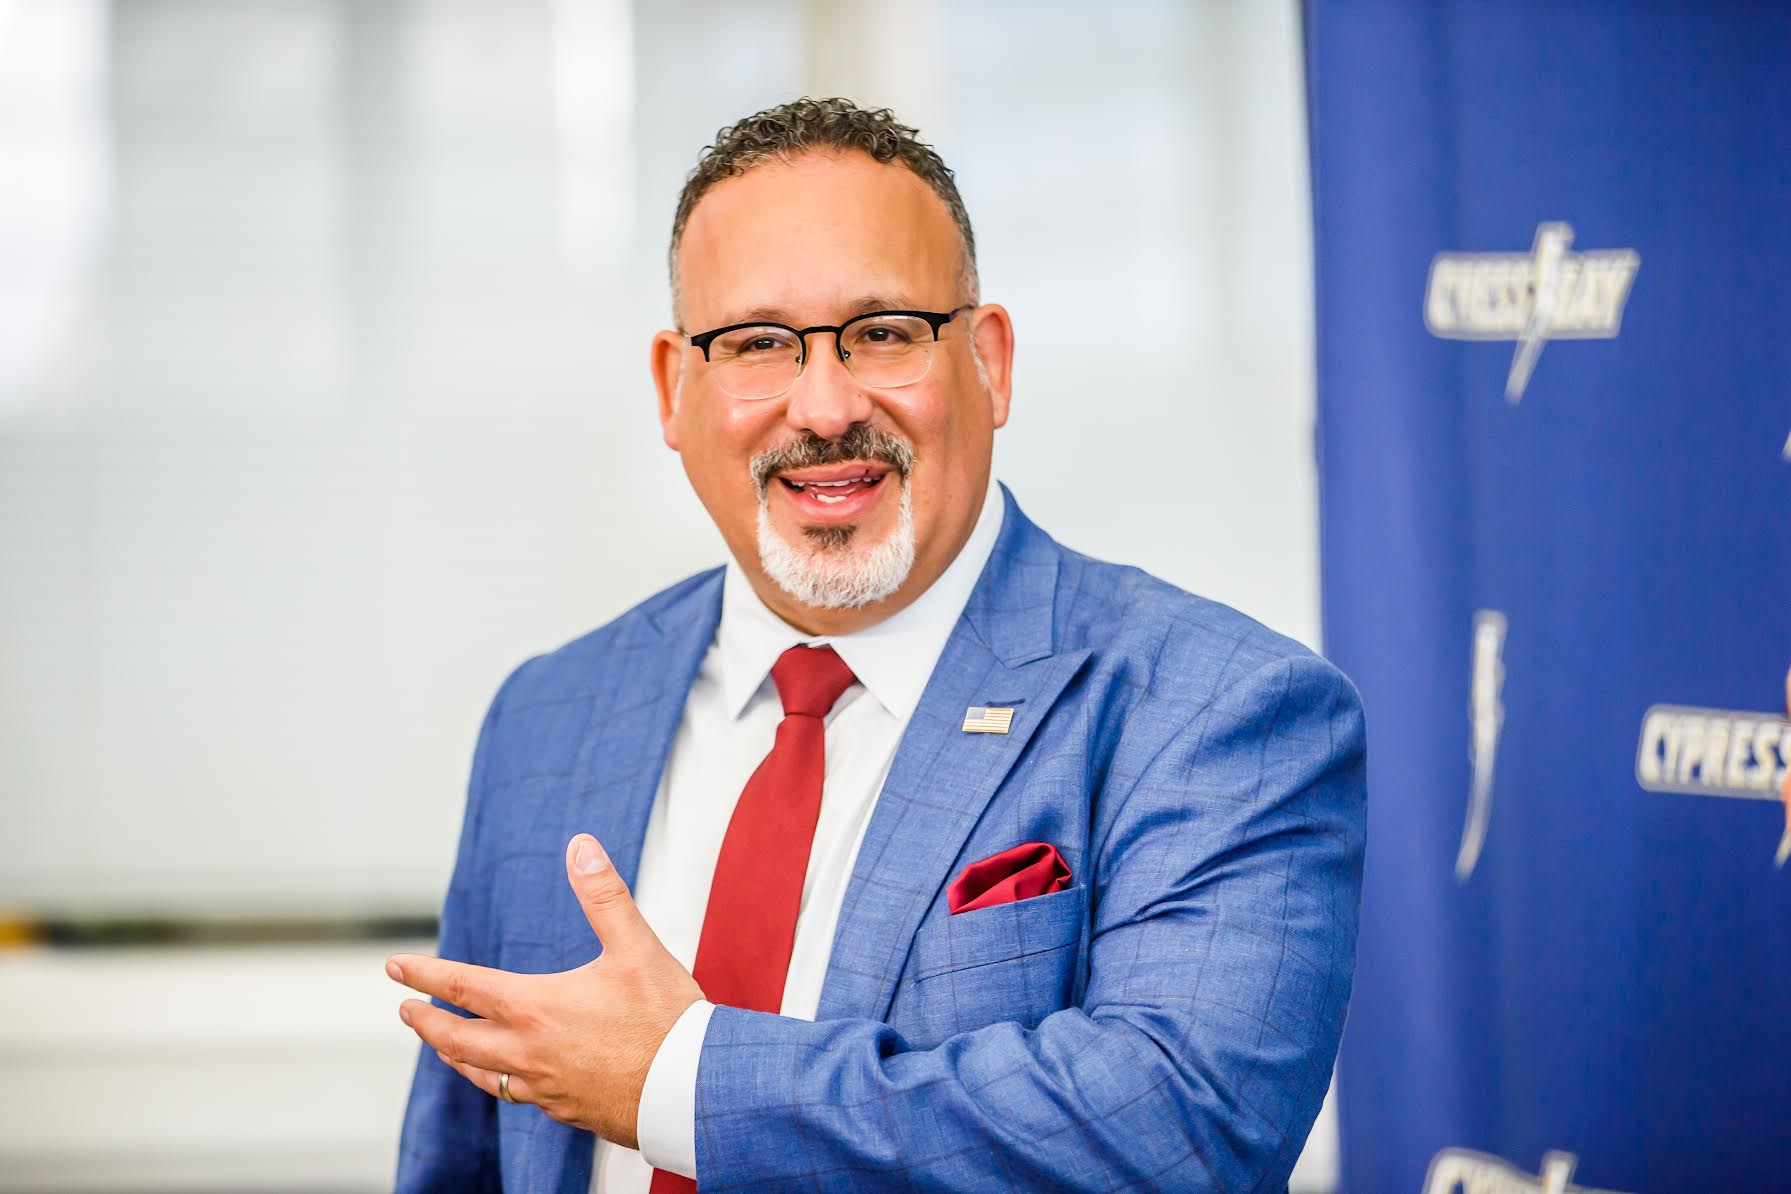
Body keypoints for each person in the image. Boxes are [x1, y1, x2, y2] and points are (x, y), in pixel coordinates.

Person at [388, 97, 1367, 1193]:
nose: (823, 404)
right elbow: (465, 1154)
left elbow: (1180, 1133)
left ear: (989, 363)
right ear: (674, 388)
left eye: (885, 333)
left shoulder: (1220, 708)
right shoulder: (550, 716)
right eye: (757, 343)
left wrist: (678, 1081)